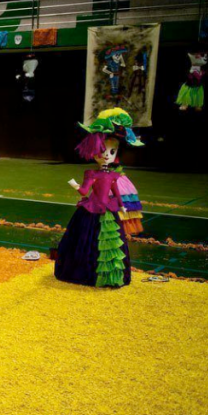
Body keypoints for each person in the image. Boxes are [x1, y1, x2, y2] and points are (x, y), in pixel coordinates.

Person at [55, 108, 143, 288]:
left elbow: (116, 192)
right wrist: (76, 186)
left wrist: (121, 205)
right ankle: (84, 272)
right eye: (102, 151)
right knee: (86, 240)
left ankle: (111, 274)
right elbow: (84, 191)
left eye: (111, 152)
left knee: (112, 242)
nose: (106, 156)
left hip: (109, 209)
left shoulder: (113, 175)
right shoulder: (91, 173)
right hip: (91, 208)